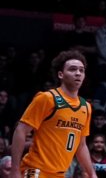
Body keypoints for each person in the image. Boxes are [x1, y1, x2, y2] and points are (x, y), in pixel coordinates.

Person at [9, 50, 96, 178]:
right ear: (61, 74)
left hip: (60, 174)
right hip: (36, 170)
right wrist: (14, 170)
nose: (78, 73)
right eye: (72, 69)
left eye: (81, 70)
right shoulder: (47, 98)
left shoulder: (86, 107)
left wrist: (92, 174)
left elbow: (81, 146)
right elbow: (21, 131)